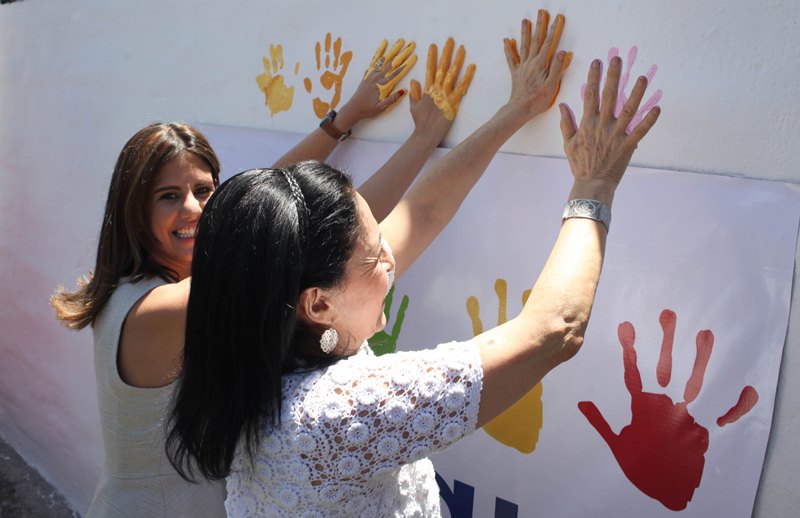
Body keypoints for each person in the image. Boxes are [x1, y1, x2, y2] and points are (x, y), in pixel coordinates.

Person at [168, 10, 660, 516]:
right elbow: (555, 329)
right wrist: (595, 183)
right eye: (375, 253)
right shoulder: (335, 414)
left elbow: (421, 211)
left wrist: (515, 110)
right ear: (317, 304)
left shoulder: (259, 346)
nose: (391, 257)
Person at [50, 39, 462, 517]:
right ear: (134, 211)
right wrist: (421, 141)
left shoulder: (142, 286)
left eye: (204, 191)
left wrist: (343, 120)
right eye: (168, 196)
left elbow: (268, 215)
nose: (192, 209)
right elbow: (293, 234)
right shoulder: (156, 309)